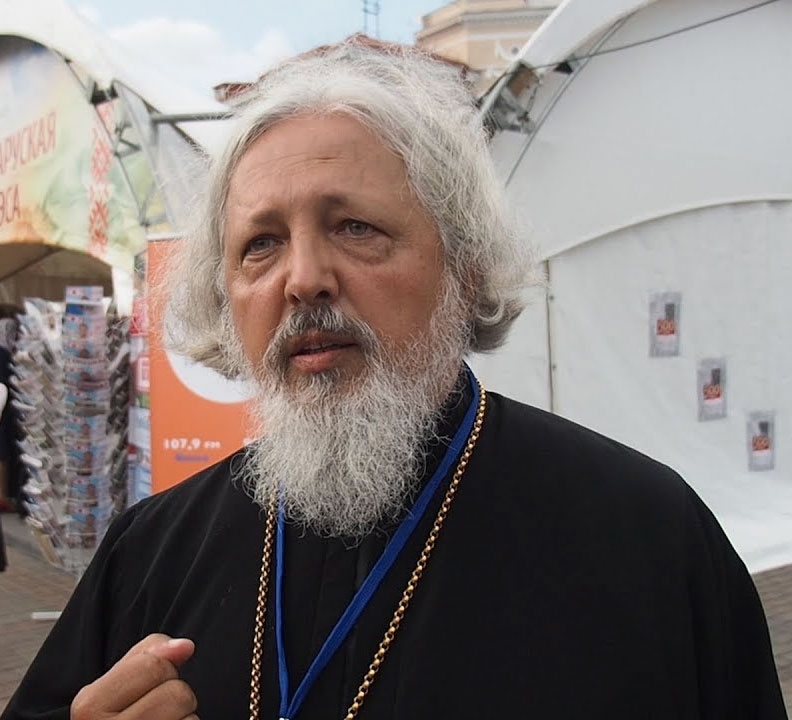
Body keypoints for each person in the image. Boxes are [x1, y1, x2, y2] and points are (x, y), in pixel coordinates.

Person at [3, 39, 786, 720]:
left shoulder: (648, 539)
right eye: (261, 244)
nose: (303, 279)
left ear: (463, 267)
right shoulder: (151, 551)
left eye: (355, 227)